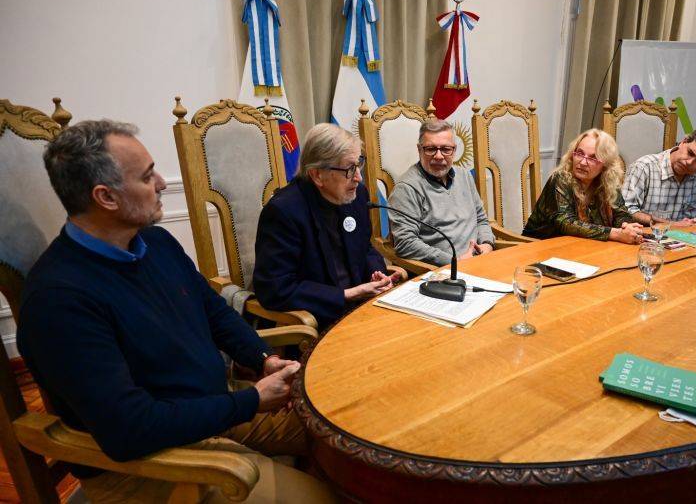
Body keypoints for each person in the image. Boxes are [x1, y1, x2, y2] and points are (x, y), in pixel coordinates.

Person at [16, 120, 334, 503]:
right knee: (321, 498)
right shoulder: (58, 299)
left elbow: (213, 311)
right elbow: (129, 429)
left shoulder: (155, 241)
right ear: (106, 197)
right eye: (148, 176)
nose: (163, 184)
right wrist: (250, 401)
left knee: (341, 435)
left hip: (210, 409)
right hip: (150, 460)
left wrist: (262, 358)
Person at [253, 123, 397, 330]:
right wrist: (347, 294)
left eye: (359, 164)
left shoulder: (356, 196)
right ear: (317, 175)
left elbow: (365, 248)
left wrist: (377, 273)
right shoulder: (284, 211)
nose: (358, 177)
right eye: (349, 169)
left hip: (362, 309)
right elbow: (275, 288)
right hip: (318, 319)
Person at [388, 119, 495, 266]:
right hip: (442, 272)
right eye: (431, 149)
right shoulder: (406, 188)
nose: (438, 156)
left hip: (480, 262)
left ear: (454, 150)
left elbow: (481, 220)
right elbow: (405, 244)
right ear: (419, 149)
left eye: (446, 149)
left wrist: (487, 244)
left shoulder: (464, 176)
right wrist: (453, 262)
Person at [523, 129, 644, 243]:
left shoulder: (609, 182)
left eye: (593, 158)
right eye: (579, 154)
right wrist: (615, 234)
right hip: (541, 248)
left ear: (605, 165)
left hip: (582, 247)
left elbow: (621, 213)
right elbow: (566, 222)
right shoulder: (560, 178)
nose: (582, 162)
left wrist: (626, 226)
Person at [622, 126, 696, 226]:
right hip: (650, 238)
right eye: (690, 153)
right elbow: (626, 211)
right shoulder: (644, 167)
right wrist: (671, 225)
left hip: (690, 239)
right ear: (683, 142)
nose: (689, 162)